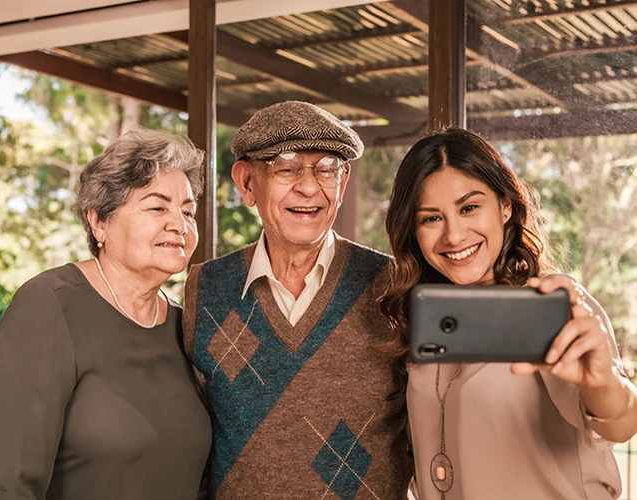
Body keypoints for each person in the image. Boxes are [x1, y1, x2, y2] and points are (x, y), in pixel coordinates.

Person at [380, 127, 637, 499]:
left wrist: (602, 384)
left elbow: (620, 425)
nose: (453, 235)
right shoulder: (427, 322)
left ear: (505, 207)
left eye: (469, 208)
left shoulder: (548, 303)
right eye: (431, 218)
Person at [182, 101, 414, 499]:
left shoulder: (394, 288)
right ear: (247, 183)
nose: (308, 187)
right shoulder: (206, 287)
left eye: (326, 169)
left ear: (342, 185)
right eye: (286, 167)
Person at [0, 128, 212, 499]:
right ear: (99, 221)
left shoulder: (185, 325)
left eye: (188, 211)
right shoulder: (48, 306)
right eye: (157, 207)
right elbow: (2, 481)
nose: (179, 225)